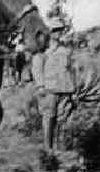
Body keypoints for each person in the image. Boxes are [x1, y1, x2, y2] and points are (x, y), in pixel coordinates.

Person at [32, 18, 76, 152]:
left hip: (65, 89)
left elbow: (71, 69)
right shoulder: (43, 52)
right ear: (49, 32)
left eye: (60, 30)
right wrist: (40, 86)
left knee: (64, 119)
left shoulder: (66, 50)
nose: (58, 33)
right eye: (55, 30)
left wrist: (74, 90)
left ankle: (62, 149)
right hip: (49, 90)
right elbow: (37, 69)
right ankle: (48, 149)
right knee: (49, 119)